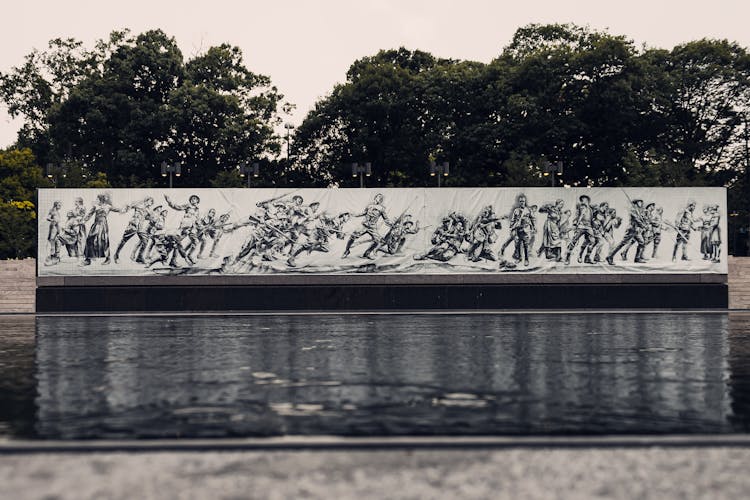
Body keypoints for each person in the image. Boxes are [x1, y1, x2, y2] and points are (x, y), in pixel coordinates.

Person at [342, 193, 391, 259]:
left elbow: (386, 218)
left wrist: (390, 223)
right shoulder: (369, 206)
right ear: (375, 198)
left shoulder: (381, 208)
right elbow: (364, 213)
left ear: (381, 200)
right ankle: (347, 251)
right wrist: (355, 215)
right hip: (364, 225)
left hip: (372, 227)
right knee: (352, 236)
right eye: (378, 197)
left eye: (380, 198)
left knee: (377, 241)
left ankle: (367, 253)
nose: (379, 199)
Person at [83, 193, 127, 265]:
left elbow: (119, 210)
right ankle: (88, 259)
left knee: (104, 241)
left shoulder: (108, 206)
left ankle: (107, 259)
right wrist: (83, 221)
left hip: (103, 225)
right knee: (90, 239)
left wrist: (125, 208)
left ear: (101, 199)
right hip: (96, 224)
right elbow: (89, 214)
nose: (96, 200)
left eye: (97, 199)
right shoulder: (95, 206)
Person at [113, 196, 155, 264]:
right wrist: (124, 210)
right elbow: (129, 206)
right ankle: (116, 255)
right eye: (150, 202)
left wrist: (150, 218)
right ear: (146, 200)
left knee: (145, 241)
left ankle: (139, 257)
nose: (151, 203)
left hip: (140, 227)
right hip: (133, 225)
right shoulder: (139, 205)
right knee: (124, 240)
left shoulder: (148, 210)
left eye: (152, 203)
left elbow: (146, 217)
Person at [165, 194, 201, 261]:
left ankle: (190, 255)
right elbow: (177, 207)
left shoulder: (197, 209)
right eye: (192, 199)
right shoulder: (187, 206)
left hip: (192, 228)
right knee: (176, 242)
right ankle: (169, 258)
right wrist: (169, 202)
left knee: (196, 242)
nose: (193, 200)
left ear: (197, 201)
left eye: (195, 199)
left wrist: (199, 224)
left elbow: (197, 219)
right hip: (185, 227)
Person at [565, 195, 595, 265]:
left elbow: (591, 219)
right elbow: (576, 216)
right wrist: (575, 224)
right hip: (581, 226)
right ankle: (567, 257)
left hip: (589, 227)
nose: (583, 201)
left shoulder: (590, 209)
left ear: (588, 200)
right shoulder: (580, 208)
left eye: (585, 200)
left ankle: (585, 257)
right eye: (582, 200)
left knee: (592, 241)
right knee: (574, 241)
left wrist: (593, 226)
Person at [508, 194, 535, 266]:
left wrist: (533, 227)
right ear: (519, 202)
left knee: (526, 245)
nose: (522, 202)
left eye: (523, 201)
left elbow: (532, 219)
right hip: (518, 229)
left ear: (525, 202)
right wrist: (511, 227)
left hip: (526, 229)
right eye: (520, 201)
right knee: (517, 244)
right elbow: (513, 219)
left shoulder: (528, 210)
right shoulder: (516, 210)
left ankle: (526, 259)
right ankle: (519, 258)